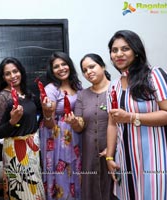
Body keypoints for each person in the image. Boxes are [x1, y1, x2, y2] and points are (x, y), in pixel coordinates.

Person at [106, 30, 167, 199]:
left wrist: (132, 117)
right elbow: (112, 123)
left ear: (136, 51)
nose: (119, 54)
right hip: (126, 160)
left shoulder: (156, 76)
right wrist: (110, 157)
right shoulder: (113, 86)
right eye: (114, 50)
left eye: (125, 49)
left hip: (158, 158)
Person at [0, 57, 45, 200]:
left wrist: (48, 108)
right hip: (15, 151)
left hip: (33, 147)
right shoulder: (2, 97)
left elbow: (40, 114)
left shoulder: (29, 94)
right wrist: (12, 121)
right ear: (3, 77)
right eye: (7, 73)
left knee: (35, 190)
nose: (13, 76)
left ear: (21, 71)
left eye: (15, 71)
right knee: (21, 192)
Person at [65, 53, 115, 200]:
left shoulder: (117, 89)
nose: (88, 72)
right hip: (89, 153)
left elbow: (124, 123)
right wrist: (74, 122)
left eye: (92, 67)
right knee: (92, 190)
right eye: (85, 70)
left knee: (114, 188)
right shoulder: (82, 95)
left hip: (115, 151)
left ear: (103, 66)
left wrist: (112, 148)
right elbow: (79, 126)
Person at [39, 52, 82, 199]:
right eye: (56, 66)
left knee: (76, 169)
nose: (61, 68)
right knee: (60, 173)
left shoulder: (77, 85)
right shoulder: (51, 89)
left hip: (75, 134)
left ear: (69, 65)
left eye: (64, 64)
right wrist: (47, 112)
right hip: (56, 138)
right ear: (52, 70)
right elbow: (49, 123)